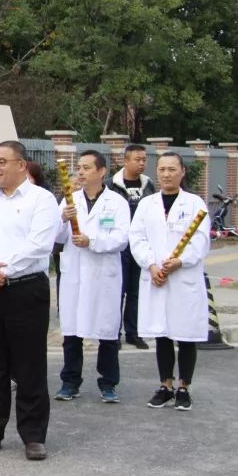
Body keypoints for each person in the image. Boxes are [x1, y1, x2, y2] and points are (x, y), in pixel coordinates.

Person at [0, 141, 60, 461]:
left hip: (27, 289)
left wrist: (1, 271)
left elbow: (39, 244)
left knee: (30, 364)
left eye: (3, 161)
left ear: (21, 164)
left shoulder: (41, 199)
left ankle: (33, 435)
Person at [128, 152, 210, 411]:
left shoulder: (195, 204)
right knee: (161, 333)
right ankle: (165, 385)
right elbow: (137, 238)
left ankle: (184, 387)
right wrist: (151, 265)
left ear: (182, 172)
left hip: (183, 276)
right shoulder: (147, 204)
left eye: (172, 169)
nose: (166, 174)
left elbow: (201, 240)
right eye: (162, 169)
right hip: (156, 277)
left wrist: (180, 261)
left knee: (185, 334)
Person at [54, 150, 131, 403]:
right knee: (72, 330)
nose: (81, 172)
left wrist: (92, 241)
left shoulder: (117, 202)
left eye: (87, 167)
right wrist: (62, 221)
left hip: (103, 274)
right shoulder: (69, 200)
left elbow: (121, 238)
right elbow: (56, 237)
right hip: (75, 272)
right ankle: (70, 381)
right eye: (80, 168)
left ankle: (108, 382)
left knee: (107, 330)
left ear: (101, 171)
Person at [110, 144, 155, 350]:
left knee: (137, 290)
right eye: (137, 159)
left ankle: (133, 332)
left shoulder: (148, 186)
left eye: (144, 159)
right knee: (118, 290)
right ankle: (114, 333)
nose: (142, 163)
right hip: (120, 245)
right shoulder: (112, 185)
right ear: (125, 160)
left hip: (142, 244)